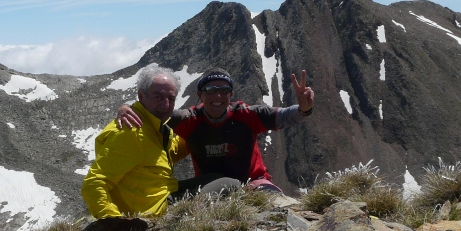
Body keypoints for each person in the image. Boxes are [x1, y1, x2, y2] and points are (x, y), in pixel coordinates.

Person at [117, 67, 314, 195]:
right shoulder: (189, 119)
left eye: (224, 90)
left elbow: (287, 116)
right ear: (200, 95)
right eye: (211, 89)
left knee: (277, 208)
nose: (217, 95)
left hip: (254, 183)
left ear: (231, 94)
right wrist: (127, 108)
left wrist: (304, 108)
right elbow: (154, 112)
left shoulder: (247, 114)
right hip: (210, 187)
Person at [81, 64, 189, 231]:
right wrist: (116, 223)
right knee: (227, 185)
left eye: (171, 98)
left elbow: (169, 153)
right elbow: (93, 184)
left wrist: (200, 133)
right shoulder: (131, 131)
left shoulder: (153, 125)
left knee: (218, 180)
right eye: (158, 97)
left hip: (158, 198)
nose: (165, 104)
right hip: (150, 211)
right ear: (141, 96)